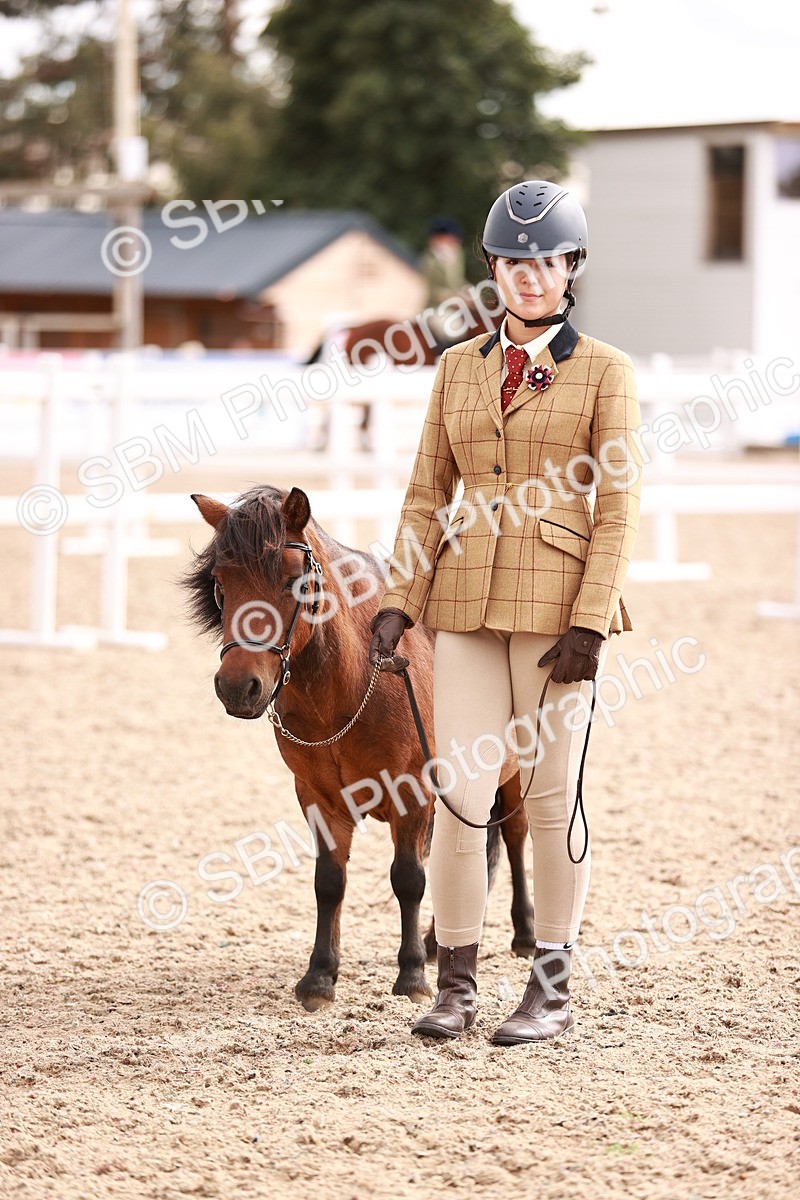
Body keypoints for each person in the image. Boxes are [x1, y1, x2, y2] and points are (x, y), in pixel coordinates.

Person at [367, 180, 642, 1045]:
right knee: (460, 796)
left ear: (571, 270)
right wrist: (398, 598)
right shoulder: (457, 368)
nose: (531, 277)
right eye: (516, 262)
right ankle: (456, 982)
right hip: (466, 607)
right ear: (494, 269)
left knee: (554, 801)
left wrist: (593, 621)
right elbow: (425, 495)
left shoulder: (604, 370)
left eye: (547, 262)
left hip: (560, 616)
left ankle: (550, 987)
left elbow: (619, 508)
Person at [419, 215, 469, 352]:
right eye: (450, 238)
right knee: (453, 329)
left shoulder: (457, 257)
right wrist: (451, 297)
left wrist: (468, 292)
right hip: (436, 308)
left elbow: (459, 282)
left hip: (457, 305)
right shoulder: (429, 261)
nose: (455, 241)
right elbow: (432, 291)